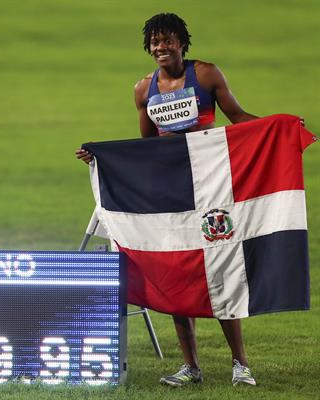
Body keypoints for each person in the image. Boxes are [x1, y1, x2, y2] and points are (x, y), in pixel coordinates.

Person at [76, 13, 258, 387]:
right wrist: (101, 159)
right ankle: (191, 367)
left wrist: (280, 128)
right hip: (170, 190)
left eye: (168, 40)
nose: (161, 47)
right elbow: (145, 149)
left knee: (220, 269)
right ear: (149, 47)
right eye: (155, 42)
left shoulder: (205, 74)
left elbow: (237, 116)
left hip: (210, 186)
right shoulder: (144, 89)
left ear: (181, 43)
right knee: (178, 273)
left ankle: (241, 364)